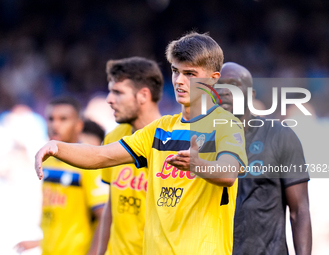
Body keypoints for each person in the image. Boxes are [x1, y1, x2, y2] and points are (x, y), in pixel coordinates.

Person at [35, 32, 248, 255]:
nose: (179, 81)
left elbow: (229, 173)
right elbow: (101, 156)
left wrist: (198, 164)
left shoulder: (225, 125)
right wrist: (57, 148)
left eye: (190, 74)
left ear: (213, 78)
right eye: (176, 71)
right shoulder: (160, 129)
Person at [216, 62, 312, 255]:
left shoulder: (280, 136)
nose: (225, 91)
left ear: (250, 95)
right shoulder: (201, 142)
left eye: (233, 85)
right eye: (219, 86)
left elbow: (299, 211)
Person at [21, 97, 108, 255]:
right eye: (51, 119)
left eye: (63, 119)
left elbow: (104, 216)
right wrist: (37, 243)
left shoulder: (88, 162)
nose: (55, 125)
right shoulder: (47, 161)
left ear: (78, 125)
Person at [96, 57, 163, 255]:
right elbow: (112, 204)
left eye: (118, 92)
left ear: (143, 95)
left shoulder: (172, 141)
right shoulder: (114, 137)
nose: (109, 99)